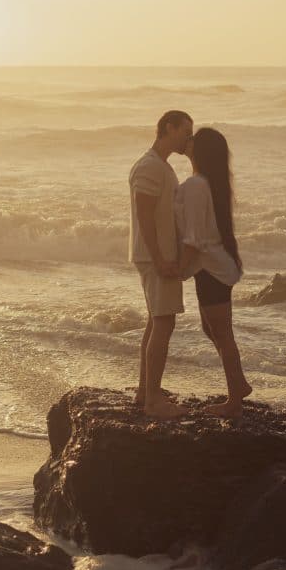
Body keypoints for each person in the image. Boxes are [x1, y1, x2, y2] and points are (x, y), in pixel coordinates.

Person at [175, 127, 251, 418]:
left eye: (194, 138)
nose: (188, 140)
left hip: (210, 268)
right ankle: (239, 384)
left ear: (200, 149)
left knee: (222, 332)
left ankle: (234, 401)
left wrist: (178, 270)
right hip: (212, 266)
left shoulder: (196, 185)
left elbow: (194, 238)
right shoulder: (208, 183)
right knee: (212, 329)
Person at [129, 109, 193, 418]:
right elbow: (144, 215)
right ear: (169, 128)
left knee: (157, 320)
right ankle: (153, 400)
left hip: (158, 254)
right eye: (185, 132)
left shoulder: (161, 167)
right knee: (164, 322)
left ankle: (145, 392)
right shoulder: (151, 167)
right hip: (156, 256)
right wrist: (160, 259)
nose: (188, 138)